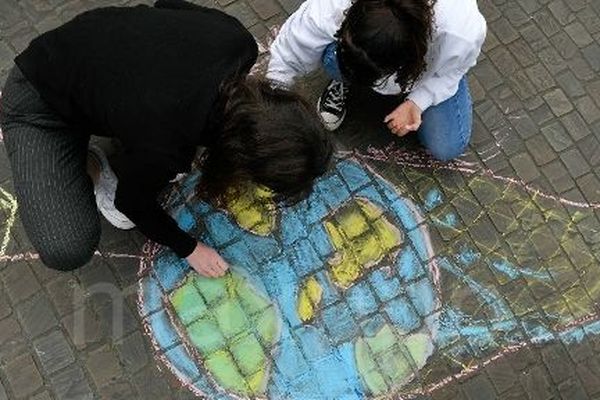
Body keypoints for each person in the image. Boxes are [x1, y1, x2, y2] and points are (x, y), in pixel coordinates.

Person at [0, 0, 333, 277]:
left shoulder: (238, 43)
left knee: (141, 133)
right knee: (67, 246)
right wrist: (187, 247)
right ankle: (88, 165)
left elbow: (166, 5)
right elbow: (131, 202)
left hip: (86, 44)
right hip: (39, 102)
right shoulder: (169, 146)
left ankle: (107, 118)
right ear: (241, 157)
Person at [267, 0, 486, 161]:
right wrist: (272, 113)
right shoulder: (332, 7)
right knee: (332, 55)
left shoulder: (461, 32)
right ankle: (345, 73)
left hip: (428, 71)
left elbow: (455, 70)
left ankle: (363, 72)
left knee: (446, 147)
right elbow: (288, 55)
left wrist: (419, 100)